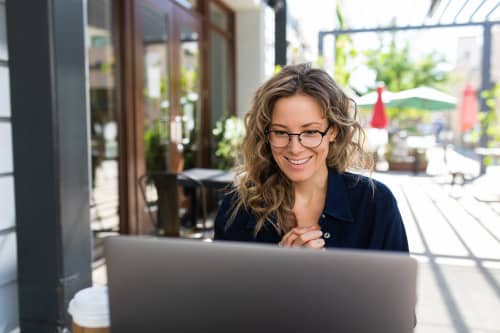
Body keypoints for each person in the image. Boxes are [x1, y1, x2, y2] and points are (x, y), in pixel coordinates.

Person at [214, 63, 408, 252]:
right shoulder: (237, 207)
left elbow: (396, 284)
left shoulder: (375, 203)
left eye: (311, 132)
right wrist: (280, 271)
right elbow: (221, 285)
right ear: (266, 135)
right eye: (281, 132)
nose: (295, 148)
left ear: (333, 131)